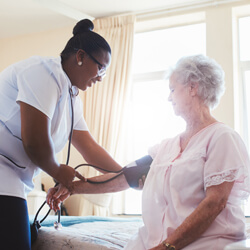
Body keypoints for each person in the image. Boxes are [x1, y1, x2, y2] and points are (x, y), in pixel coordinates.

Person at [47, 54, 250, 250]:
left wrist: (168, 246)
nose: (168, 97)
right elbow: (124, 177)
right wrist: (71, 188)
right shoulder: (167, 147)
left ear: (192, 87)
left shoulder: (222, 137)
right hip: (159, 242)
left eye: (172, 89)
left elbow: (215, 203)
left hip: (206, 243)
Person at [0, 19, 122, 250]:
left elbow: (90, 148)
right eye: (101, 68)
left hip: (14, 181)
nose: (100, 78)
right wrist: (57, 171)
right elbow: (34, 142)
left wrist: (127, 174)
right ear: (80, 56)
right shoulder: (42, 73)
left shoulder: (72, 97)